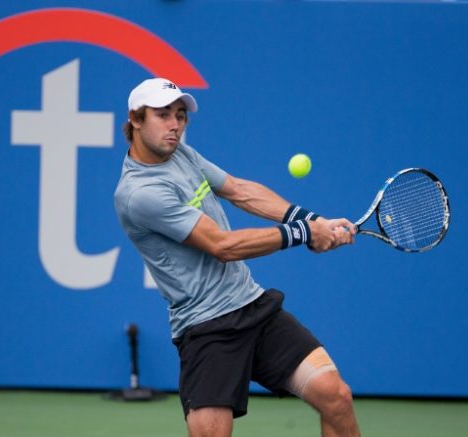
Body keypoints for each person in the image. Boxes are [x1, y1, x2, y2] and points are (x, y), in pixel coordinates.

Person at [113, 78, 361, 437]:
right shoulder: (140, 193)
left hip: (252, 307)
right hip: (207, 329)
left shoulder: (179, 152)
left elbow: (239, 190)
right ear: (135, 120)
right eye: (163, 115)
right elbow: (222, 245)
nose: (175, 125)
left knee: (336, 397)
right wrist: (305, 234)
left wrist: (311, 220)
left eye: (180, 115)